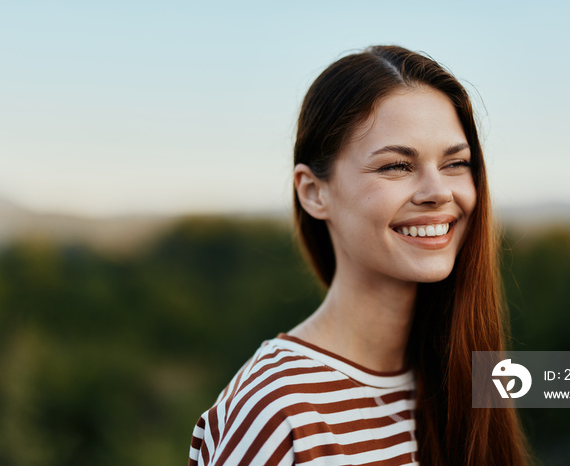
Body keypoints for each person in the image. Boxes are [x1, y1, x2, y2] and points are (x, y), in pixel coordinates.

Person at [189, 45, 530, 466]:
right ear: (314, 192)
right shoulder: (276, 412)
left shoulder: (463, 378)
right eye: (395, 167)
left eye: (455, 163)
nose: (439, 192)